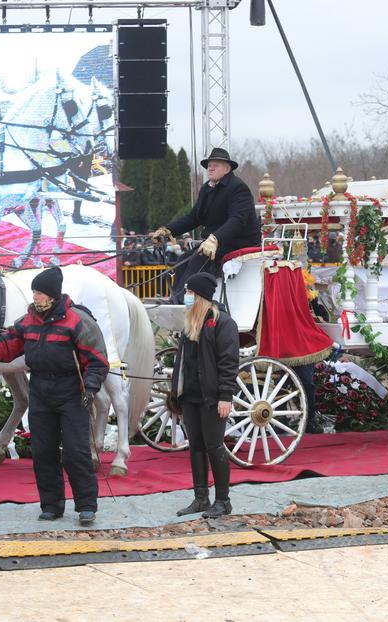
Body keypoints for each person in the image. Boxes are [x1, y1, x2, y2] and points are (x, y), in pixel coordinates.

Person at [0, 267, 108, 525]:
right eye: (34, 292)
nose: (35, 296)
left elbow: (97, 361)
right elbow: (8, 344)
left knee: (76, 453)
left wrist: (91, 387)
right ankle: (51, 505)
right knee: (43, 452)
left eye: (39, 292)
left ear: (52, 295)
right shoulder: (29, 320)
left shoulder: (77, 321)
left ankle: (86, 505)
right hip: (40, 390)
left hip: (72, 392)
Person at [150, 148, 261, 303]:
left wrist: (215, 239)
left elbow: (237, 221)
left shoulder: (237, 188)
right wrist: (168, 230)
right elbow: (194, 218)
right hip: (214, 242)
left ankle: (184, 302)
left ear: (227, 168)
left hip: (237, 241)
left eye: (215, 165)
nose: (210, 168)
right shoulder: (206, 189)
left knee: (198, 260)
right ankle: (175, 300)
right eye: (209, 165)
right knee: (183, 260)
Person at [169, 272, 239, 518]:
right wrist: (176, 391)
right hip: (191, 396)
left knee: (214, 446)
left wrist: (225, 396)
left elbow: (229, 362)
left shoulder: (222, 323)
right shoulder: (190, 323)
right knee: (195, 446)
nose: (186, 296)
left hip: (212, 397)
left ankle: (223, 500)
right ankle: (200, 498)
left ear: (200, 296)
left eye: (190, 292)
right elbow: (182, 362)